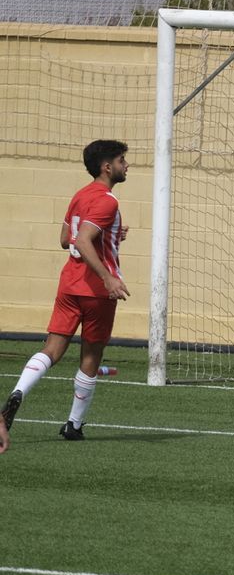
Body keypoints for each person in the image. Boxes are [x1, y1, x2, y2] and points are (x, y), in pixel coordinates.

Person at [2, 140, 132, 443]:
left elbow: (66, 238)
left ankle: (19, 390)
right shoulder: (107, 200)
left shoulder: (80, 195)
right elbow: (84, 240)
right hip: (96, 290)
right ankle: (74, 424)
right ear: (106, 166)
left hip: (69, 285)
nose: (127, 166)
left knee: (52, 349)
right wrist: (108, 278)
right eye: (122, 160)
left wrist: (112, 236)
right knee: (91, 354)